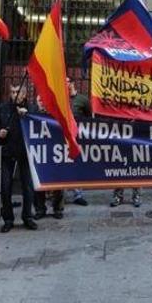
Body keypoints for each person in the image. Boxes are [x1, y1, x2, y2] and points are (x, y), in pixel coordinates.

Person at [0, 84, 37, 232]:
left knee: (28, 187)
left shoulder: (32, 108)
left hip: (26, 153)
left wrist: (28, 116)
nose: (15, 94)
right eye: (12, 92)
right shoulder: (2, 108)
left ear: (24, 94)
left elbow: (40, 127)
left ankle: (27, 217)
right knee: (5, 187)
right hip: (7, 152)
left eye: (18, 92)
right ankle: (8, 219)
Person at [68, 77, 90, 206]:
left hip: (78, 138)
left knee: (77, 164)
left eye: (67, 82)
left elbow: (89, 117)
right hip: (63, 137)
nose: (65, 84)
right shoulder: (61, 99)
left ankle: (78, 194)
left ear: (72, 83)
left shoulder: (82, 100)